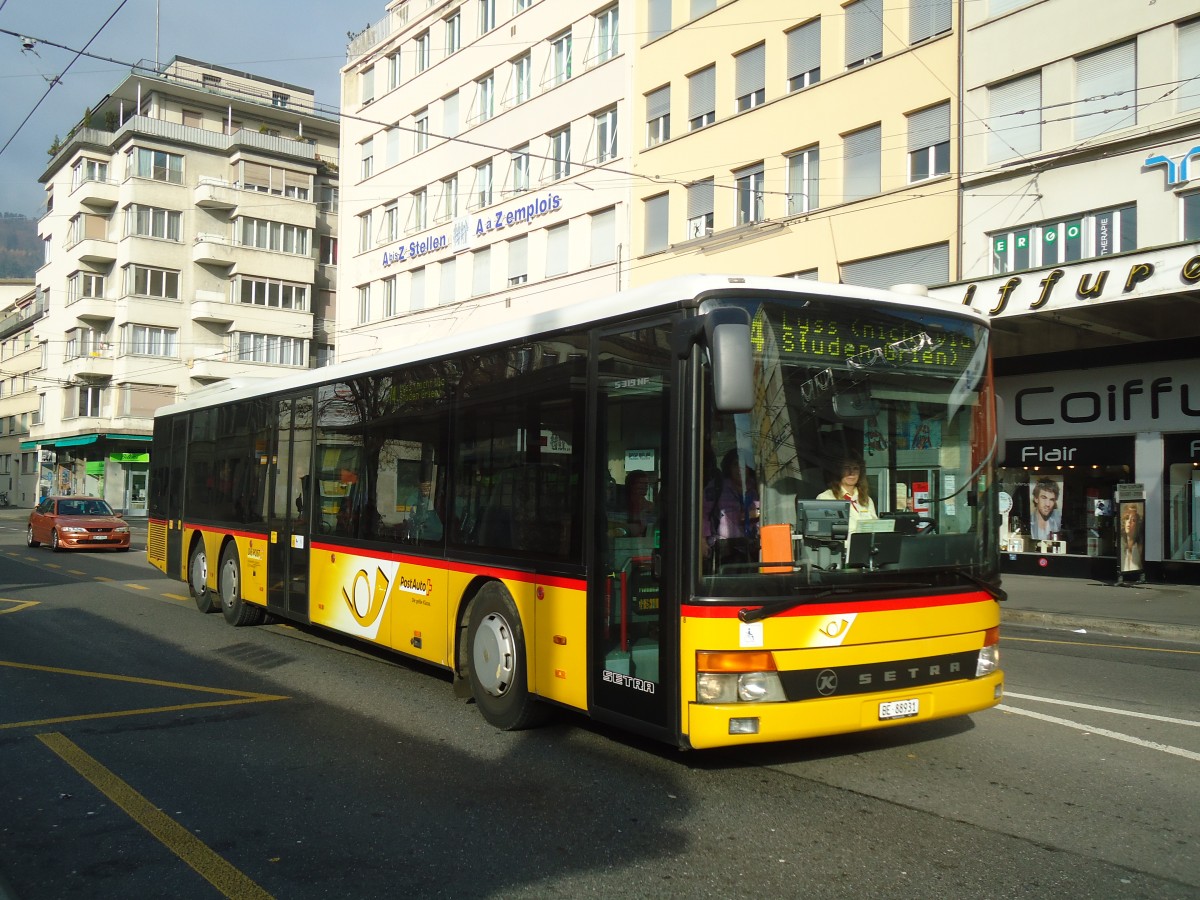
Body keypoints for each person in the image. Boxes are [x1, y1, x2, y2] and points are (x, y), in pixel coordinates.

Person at [703, 449, 760, 560]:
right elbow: (702, 513)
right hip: (724, 551)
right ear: (729, 467)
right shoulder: (717, 487)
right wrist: (702, 541)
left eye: (744, 464)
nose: (740, 468)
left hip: (752, 550)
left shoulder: (757, 488)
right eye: (735, 464)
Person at [817, 456, 878, 534]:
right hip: (841, 545)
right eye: (846, 468)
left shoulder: (867, 499)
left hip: (865, 544)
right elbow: (824, 531)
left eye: (855, 468)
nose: (851, 473)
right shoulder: (825, 498)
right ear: (838, 471)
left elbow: (875, 527)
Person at [624, 470, 657, 537]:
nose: (645, 486)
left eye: (646, 483)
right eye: (641, 483)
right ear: (631, 485)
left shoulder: (651, 507)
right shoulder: (622, 506)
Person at [1119, 502, 1143, 573]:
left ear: (1136, 524)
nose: (1129, 522)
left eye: (1133, 520)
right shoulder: (1122, 545)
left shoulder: (1139, 547)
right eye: (1127, 518)